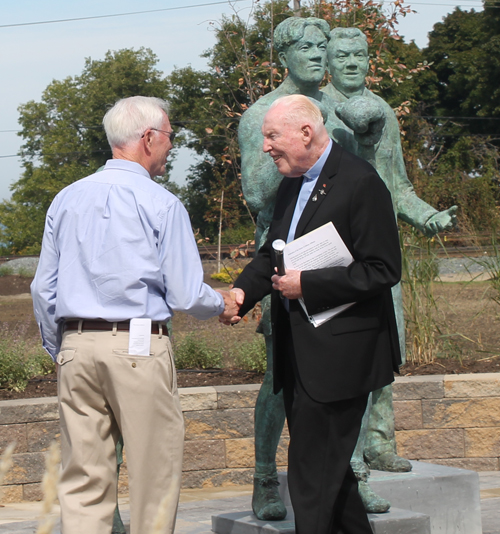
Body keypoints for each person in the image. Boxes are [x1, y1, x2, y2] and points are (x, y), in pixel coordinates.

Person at [31, 96, 239, 534]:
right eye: (168, 138)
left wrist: (63, 348)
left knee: (84, 481)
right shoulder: (162, 203)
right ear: (148, 139)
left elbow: (42, 288)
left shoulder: (66, 199)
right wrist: (223, 303)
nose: (170, 147)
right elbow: (184, 292)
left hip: (75, 347)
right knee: (153, 480)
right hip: (138, 345)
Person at [228, 94, 402, 534]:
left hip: (340, 361)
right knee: (334, 479)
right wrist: (240, 294)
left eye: (272, 136)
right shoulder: (294, 182)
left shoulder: (360, 182)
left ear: (306, 132)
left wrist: (309, 285)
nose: (265, 146)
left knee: (310, 477)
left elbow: (383, 269)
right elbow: (274, 254)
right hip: (300, 359)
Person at [321, 27, 457, 511]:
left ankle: (380, 442)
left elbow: (396, 185)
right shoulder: (316, 111)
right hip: (337, 252)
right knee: (352, 357)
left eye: (360, 54)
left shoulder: (385, 111)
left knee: (386, 348)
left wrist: (428, 216)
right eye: (343, 55)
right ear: (328, 63)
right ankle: (352, 462)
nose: (353, 62)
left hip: (382, 251)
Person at [237, 16, 336, 521]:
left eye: (324, 45)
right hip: (283, 262)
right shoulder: (263, 113)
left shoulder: (335, 110)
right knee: (280, 376)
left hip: (338, 264)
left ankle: (345, 478)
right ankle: (263, 478)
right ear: (285, 56)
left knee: (342, 373)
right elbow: (256, 193)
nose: (319, 55)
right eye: (307, 47)